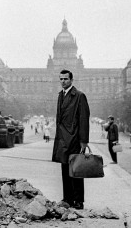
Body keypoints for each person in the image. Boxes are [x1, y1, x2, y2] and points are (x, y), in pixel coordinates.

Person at [52, 69, 90, 210]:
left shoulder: (79, 96)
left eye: (66, 79)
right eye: (61, 79)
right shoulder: (60, 95)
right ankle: (67, 198)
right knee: (64, 168)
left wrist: (83, 141)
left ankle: (78, 200)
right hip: (62, 139)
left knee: (76, 170)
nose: (63, 81)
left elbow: (84, 119)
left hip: (74, 138)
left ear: (71, 80)